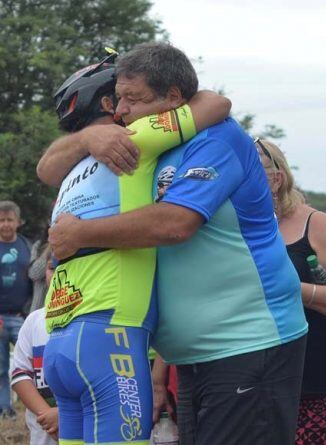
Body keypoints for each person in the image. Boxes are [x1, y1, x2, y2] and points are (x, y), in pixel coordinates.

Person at [48, 42, 308, 444]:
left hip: (249, 343)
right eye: (119, 98)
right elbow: (47, 168)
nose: (121, 110)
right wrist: (88, 139)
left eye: (133, 99)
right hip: (195, 356)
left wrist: (79, 234)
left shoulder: (216, 140)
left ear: (173, 99)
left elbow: (175, 224)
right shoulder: (155, 138)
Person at [36, 52, 230, 445]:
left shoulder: (71, 175)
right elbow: (215, 103)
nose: (128, 108)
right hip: (110, 332)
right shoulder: (135, 141)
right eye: (122, 99)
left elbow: (44, 167)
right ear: (108, 104)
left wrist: (87, 138)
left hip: (60, 340)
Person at [258, 139, 326, 444]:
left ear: (276, 179)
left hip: (312, 370)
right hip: (248, 372)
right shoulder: (232, 225)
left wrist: (296, 290)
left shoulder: (314, 223)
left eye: (248, 176)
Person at [11, 256, 56, 445]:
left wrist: (66, 416)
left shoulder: (93, 320)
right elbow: (19, 374)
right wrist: (47, 415)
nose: (57, 273)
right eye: (52, 267)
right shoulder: (34, 321)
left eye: (67, 266)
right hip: (43, 436)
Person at [0, 200, 33, 419]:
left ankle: (32, 407)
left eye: (9, 220)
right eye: (1, 220)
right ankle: (5, 409)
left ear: (18, 222)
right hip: (0, 317)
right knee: (1, 366)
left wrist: (30, 313)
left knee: (28, 364)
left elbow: (34, 282)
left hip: (22, 317)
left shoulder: (27, 247)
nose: (5, 224)